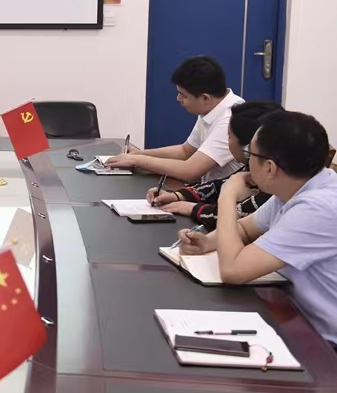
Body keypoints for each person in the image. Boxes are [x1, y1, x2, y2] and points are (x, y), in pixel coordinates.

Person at [178, 111, 337, 346]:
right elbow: (245, 228)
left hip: (324, 344)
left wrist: (227, 195)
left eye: (250, 154)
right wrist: (209, 241)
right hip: (294, 315)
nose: (247, 162)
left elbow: (233, 270)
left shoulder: (317, 208)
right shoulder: (298, 185)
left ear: (270, 167)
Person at [147, 101, 284, 230]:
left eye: (229, 136)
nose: (227, 141)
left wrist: (191, 208)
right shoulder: (253, 168)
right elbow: (217, 186)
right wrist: (177, 196)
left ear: (249, 146)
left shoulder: (273, 186)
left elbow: (234, 216)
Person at [107, 55, 243, 183]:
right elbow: (186, 151)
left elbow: (190, 170)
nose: (178, 99)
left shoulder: (231, 118)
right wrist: (140, 154)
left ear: (205, 98)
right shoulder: (211, 107)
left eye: (183, 95)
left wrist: (136, 160)